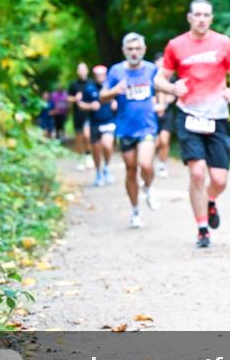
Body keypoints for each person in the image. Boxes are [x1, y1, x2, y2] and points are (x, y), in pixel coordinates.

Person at [161, 0, 230, 248]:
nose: (201, 19)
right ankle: (202, 229)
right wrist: (171, 87)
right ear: (189, 17)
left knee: (219, 180)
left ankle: (210, 200)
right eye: (197, 14)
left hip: (217, 116)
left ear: (211, 18)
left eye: (206, 15)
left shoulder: (223, 43)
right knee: (197, 172)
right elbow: (159, 78)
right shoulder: (175, 45)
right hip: (189, 114)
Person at [99, 33, 180, 228]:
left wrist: (171, 95)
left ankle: (149, 187)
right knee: (130, 170)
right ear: (124, 50)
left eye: (137, 49)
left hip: (147, 127)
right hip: (125, 129)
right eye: (130, 49)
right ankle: (135, 211)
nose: (134, 52)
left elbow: (164, 88)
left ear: (143, 50)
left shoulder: (152, 70)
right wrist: (114, 91)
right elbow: (102, 97)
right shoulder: (116, 71)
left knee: (145, 164)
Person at [77, 65, 118, 187]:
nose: (100, 77)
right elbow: (81, 104)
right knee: (96, 150)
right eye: (98, 75)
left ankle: (107, 167)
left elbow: (122, 100)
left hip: (109, 122)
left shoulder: (111, 87)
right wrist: (90, 106)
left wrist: (116, 104)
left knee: (107, 145)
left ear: (106, 75)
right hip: (95, 123)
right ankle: (98, 173)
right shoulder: (89, 88)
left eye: (102, 75)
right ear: (95, 76)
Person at [152, 53, 176, 179]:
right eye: (159, 61)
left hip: (167, 113)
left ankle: (161, 165)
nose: (161, 64)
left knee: (164, 140)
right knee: (155, 142)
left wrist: (164, 104)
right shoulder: (149, 78)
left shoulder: (171, 78)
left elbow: (173, 96)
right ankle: (147, 162)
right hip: (152, 114)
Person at [68, 62, 93, 170]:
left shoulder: (92, 83)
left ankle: (88, 156)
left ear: (87, 70)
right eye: (80, 69)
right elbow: (67, 98)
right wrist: (75, 98)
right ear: (77, 72)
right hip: (78, 114)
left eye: (83, 69)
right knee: (79, 138)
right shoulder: (73, 84)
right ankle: (81, 158)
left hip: (89, 114)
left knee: (87, 135)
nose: (82, 71)